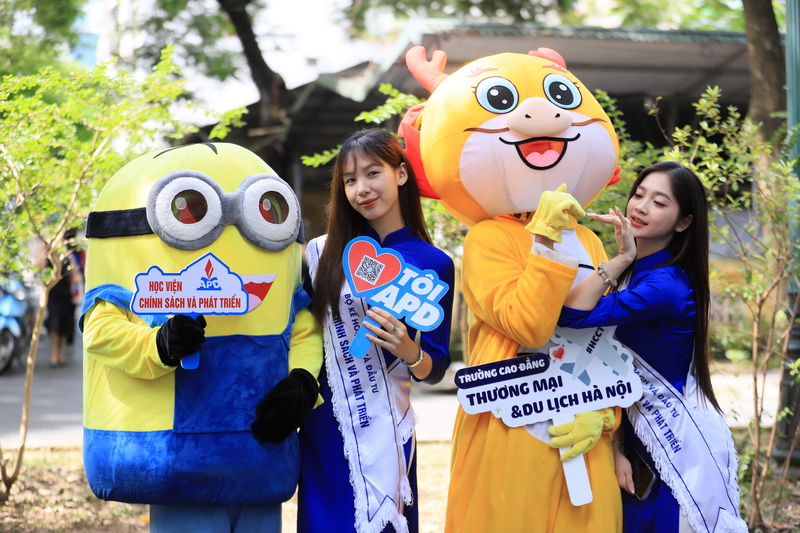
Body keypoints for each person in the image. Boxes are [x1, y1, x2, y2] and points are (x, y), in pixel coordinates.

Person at [558, 161, 747, 532]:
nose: (641, 207)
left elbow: (572, 315)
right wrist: (617, 445)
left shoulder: (664, 285)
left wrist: (621, 257)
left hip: (679, 444)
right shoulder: (637, 273)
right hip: (639, 442)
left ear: (684, 222)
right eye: (639, 195)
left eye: (659, 203)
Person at [298, 128, 455, 533]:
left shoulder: (434, 263)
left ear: (400, 174)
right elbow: (302, 333)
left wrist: (409, 351)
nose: (361, 189)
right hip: (327, 420)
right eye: (350, 180)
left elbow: (436, 367)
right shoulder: (323, 253)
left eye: (372, 173)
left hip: (386, 424)